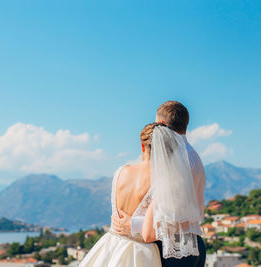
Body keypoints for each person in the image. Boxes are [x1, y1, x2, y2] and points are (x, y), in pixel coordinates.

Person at [112, 100, 207, 267]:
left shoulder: (177, 160)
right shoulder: (193, 155)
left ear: (161, 124)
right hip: (192, 244)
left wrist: (132, 224)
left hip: (176, 251)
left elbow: (173, 217)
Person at [79, 123, 163, 267]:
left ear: (142, 146)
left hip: (110, 246)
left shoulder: (121, 172)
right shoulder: (161, 180)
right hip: (141, 255)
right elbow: (157, 230)